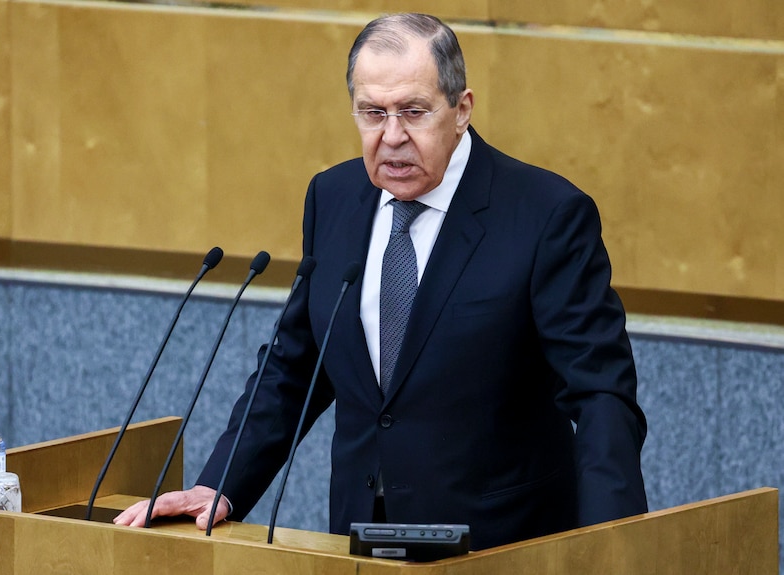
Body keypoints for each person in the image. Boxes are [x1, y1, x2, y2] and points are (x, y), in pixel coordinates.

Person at [115, 12, 648, 550]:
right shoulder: (334, 198)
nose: (392, 137)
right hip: (360, 541)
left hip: (500, 545)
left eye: (413, 112)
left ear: (461, 109)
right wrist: (221, 485)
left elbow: (601, 392)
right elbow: (297, 364)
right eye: (373, 113)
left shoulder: (545, 215)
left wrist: (609, 542)